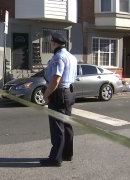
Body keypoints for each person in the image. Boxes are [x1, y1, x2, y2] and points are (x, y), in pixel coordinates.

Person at [40, 31, 77, 167]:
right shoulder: (71, 57)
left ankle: (55, 158)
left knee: (57, 127)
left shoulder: (58, 57)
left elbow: (55, 79)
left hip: (59, 93)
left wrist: (46, 95)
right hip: (69, 92)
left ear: (54, 43)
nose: (50, 44)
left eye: (51, 42)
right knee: (66, 125)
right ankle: (67, 154)